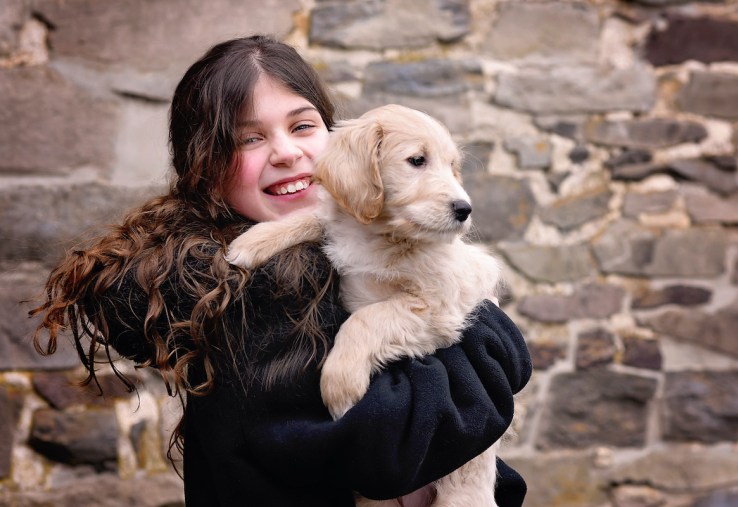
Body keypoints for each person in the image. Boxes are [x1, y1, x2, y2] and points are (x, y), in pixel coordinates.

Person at [29, 35, 532, 507]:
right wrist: (491, 337)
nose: (287, 153)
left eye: (303, 126)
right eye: (249, 139)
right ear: (204, 165)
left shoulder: (333, 248)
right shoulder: (247, 293)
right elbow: (390, 448)